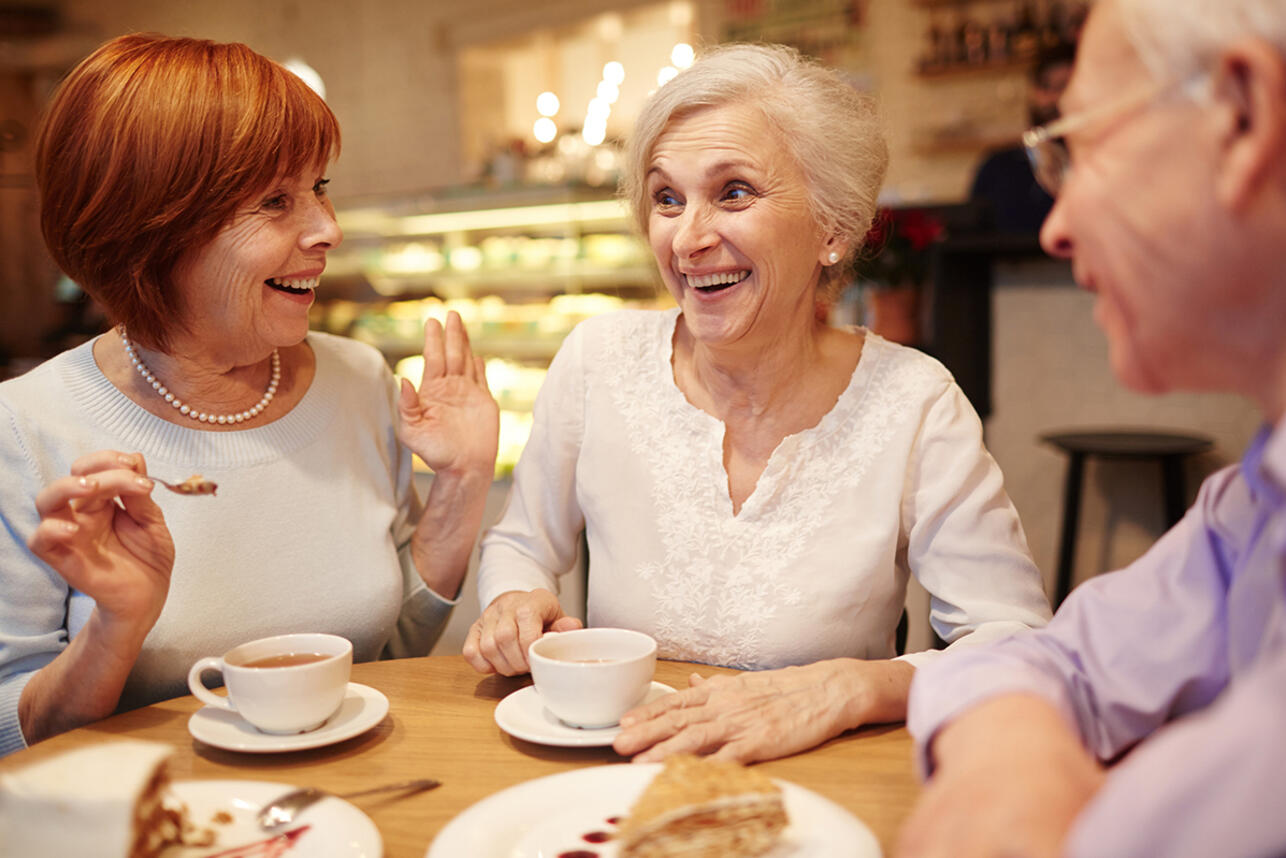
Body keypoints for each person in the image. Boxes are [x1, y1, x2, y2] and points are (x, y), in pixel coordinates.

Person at [463, 43, 1051, 764]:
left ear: (834, 227)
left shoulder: (915, 402)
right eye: (666, 198)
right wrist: (513, 601)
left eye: (734, 192)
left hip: (828, 780)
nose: (688, 238)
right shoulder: (597, 360)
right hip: (616, 770)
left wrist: (854, 688)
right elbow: (522, 542)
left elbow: (1015, 642)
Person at [0, 34, 498, 757]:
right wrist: (115, 629)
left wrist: (460, 484)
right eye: (276, 201)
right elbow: (11, 734)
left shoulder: (359, 382)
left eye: (320, 188)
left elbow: (388, 656)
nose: (328, 228)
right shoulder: (25, 431)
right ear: (153, 230)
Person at [899, 1, 1286, 856]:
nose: (1055, 225)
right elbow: (1056, 656)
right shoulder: (1254, 501)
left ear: (1243, 117)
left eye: (1075, 147)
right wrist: (1012, 760)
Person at [968, 42, 1076, 234]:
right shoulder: (997, 168)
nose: (1053, 98)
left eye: (1065, 86)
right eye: (1045, 86)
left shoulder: (1108, 165)